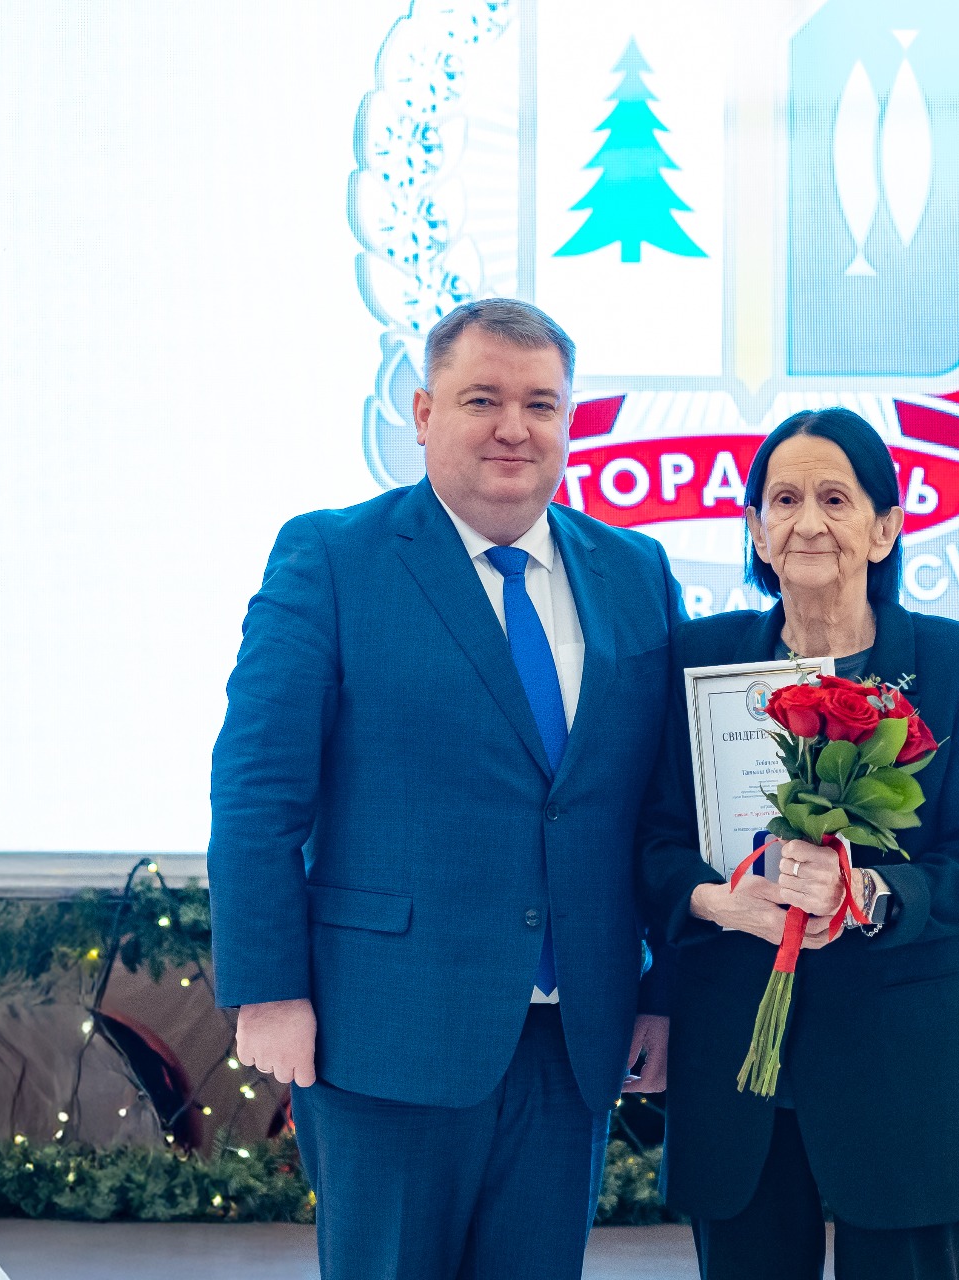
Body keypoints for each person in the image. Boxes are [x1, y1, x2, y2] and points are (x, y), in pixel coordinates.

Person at [208, 298, 680, 1277]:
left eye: (541, 404)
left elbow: (664, 808)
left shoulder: (635, 571)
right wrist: (269, 988)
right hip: (386, 1030)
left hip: (575, 1036)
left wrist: (662, 990)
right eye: (482, 399)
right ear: (424, 414)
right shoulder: (333, 559)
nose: (515, 427)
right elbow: (257, 793)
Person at [637, 407, 959, 1280]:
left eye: (835, 499)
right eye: (784, 500)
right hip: (737, 1064)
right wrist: (713, 900)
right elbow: (654, 839)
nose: (807, 522)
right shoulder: (697, 659)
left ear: (885, 528)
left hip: (900, 1068)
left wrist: (873, 897)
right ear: (755, 531)